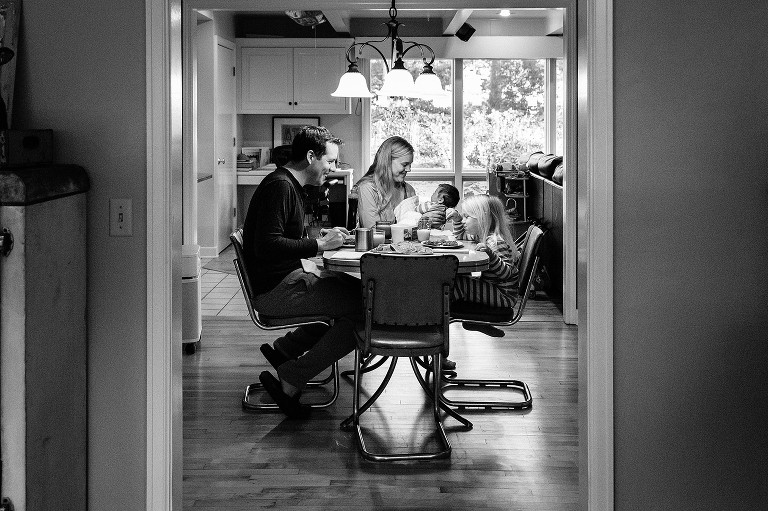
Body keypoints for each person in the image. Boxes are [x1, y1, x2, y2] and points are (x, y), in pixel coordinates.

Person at [241, 126, 362, 419]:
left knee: (354, 297)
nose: (332, 169)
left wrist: (322, 236)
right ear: (310, 157)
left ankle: (285, 351)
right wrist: (320, 245)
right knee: (365, 308)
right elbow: (268, 245)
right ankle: (293, 376)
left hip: (284, 282)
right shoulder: (280, 186)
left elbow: (281, 236)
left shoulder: (286, 184)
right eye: (330, 161)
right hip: (277, 291)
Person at [353, 136, 446, 228]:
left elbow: (413, 232)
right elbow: (373, 231)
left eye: (410, 165)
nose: (409, 169)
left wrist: (431, 222)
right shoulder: (367, 188)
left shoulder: (408, 190)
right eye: (405, 164)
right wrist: (421, 220)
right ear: (387, 161)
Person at [451, 194, 521, 309]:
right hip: (493, 289)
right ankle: (442, 313)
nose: (463, 221)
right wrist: (457, 220)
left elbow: (506, 274)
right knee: (456, 282)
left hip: (503, 295)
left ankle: (438, 315)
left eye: (467, 217)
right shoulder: (481, 236)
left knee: (458, 284)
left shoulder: (496, 242)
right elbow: (460, 237)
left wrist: (491, 255)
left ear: (482, 218)